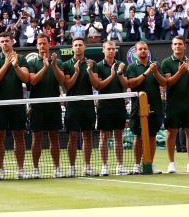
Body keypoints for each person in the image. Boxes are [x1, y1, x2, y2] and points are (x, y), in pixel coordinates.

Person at [158, 37, 189, 173]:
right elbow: (167, 82)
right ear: (172, 47)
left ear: (185, 46)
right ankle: (171, 163)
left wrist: (188, 70)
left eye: (180, 44)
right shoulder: (166, 62)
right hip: (172, 103)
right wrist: (180, 72)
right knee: (171, 132)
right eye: (175, 44)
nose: (178, 46)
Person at [0, 33, 29, 180]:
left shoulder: (22, 58)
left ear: (12, 42)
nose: (5, 43)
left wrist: (16, 64)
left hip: (17, 104)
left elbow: (26, 78)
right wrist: (6, 63)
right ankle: (0, 169)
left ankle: (20, 169)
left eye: (7, 41)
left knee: (19, 136)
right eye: (2, 42)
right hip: (0, 104)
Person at [26, 34, 66, 178]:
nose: (42, 46)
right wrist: (44, 67)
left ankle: (57, 168)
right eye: (40, 44)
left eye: (44, 43)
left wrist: (53, 64)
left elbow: (62, 80)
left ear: (49, 45)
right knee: (37, 138)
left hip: (53, 105)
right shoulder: (31, 62)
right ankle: (35, 169)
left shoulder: (58, 62)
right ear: (37, 46)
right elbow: (33, 81)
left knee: (54, 137)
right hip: (37, 106)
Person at [121, 41, 162, 175]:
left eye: (145, 49)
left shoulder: (156, 66)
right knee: (138, 137)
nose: (143, 51)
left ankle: (149, 162)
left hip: (155, 105)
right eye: (140, 49)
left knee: (152, 136)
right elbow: (131, 84)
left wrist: (155, 72)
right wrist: (147, 72)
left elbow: (163, 83)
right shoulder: (132, 67)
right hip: (138, 107)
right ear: (136, 52)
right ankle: (137, 165)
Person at [90, 40, 128, 176]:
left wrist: (119, 73)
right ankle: (104, 166)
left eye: (113, 49)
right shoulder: (98, 66)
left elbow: (125, 84)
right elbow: (98, 86)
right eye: (108, 49)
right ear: (103, 50)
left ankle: (120, 165)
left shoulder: (121, 66)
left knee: (118, 136)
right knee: (104, 136)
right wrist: (111, 75)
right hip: (104, 105)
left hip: (119, 105)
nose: (111, 51)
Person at [61, 37, 96, 177]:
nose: (78, 47)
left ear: (84, 47)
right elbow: (67, 85)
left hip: (88, 105)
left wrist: (90, 71)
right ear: (72, 48)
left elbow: (96, 85)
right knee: (73, 137)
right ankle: (71, 167)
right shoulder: (66, 64)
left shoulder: (91, 64)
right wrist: (76, 72)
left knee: (87, 137)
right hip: (72, 106)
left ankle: (87, 166)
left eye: (80, 45)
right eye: (75, 45)